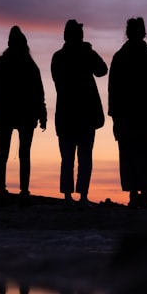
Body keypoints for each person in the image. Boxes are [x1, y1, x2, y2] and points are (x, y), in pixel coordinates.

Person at [108, 17, 147, 208]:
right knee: (145, 154)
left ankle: (136, 194)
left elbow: (113, 89)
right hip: (144, 115)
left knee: (131, 154)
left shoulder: (121, 57)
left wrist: (114, 114)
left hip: (130, 115)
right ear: (142, 33)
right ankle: (144, 194)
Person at [0, 26, 47, 203]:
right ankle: (21, 190)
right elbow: (38, 93)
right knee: (21, 153)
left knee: (6, 152)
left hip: (11, 115)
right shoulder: (28, 66)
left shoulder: (2, 65)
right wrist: (41, 115)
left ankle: (5, 189)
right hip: (19, 115)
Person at [51, 19, 108, 205]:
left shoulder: (58, 57)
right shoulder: (84, 54)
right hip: (84, 115)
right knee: (83, 158)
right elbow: (102, 69)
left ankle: (69, 196)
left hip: (67, 114)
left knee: (68, 158)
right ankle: (82, 196)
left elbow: (101, 70)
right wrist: (88, 51)